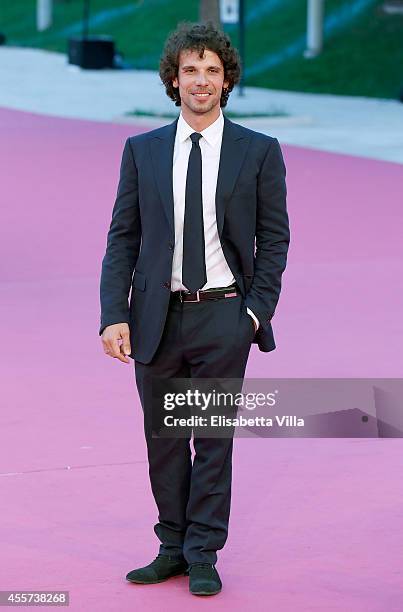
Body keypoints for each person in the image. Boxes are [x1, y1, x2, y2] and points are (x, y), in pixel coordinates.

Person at [99, 21, 290, 597]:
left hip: (223, 316)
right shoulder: (143, 150)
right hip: (156, 318)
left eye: (211, 70)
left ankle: (203, 551)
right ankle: (171, 546)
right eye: (190, 70)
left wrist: (255, 312)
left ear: (226, 79)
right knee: (163, 441)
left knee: (211, 440)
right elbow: (122, 238)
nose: (201, 81)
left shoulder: (259, 151)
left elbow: (274, 238)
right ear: (173, 80)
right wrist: (114, 314)